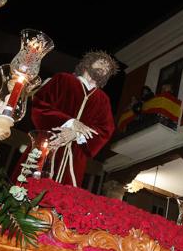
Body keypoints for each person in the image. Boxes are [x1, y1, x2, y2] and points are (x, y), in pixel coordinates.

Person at [31, 50, 118, 187]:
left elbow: (105, 130)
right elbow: (39, 104)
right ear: (88, 63)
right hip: (49, 142)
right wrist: (70, 122)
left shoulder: (103, 100)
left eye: (107, 69)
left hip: (76, 156)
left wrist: (77, 134)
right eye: (101, 63)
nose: (104, 68)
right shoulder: (63, 79)